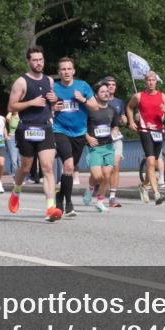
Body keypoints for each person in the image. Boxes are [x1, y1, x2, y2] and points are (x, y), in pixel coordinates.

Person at [7, 46, 61, 220]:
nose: (39, 63)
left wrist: (54, 102)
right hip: (27, 128)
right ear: (29, 61)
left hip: (45, 128)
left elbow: (50, 105)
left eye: (41, 60)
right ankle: (16, 191)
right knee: (25, 167)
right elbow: (11, 107)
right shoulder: (21, 82)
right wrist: (31, 102)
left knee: (47, 168)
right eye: (35, 60)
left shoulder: (49, 81)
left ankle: (50, 208)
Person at [51, 57, 99, 217]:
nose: (66, 72)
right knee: (69, 166)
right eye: (63, 69)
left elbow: (95, 107)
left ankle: (60, 197)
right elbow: (45, 108)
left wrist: (83, 99)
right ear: (59, 72)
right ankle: (68, 203)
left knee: (69, 171)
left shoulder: (82, 86)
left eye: (69, 69)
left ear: (73, 71)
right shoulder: (54, 88)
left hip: (79, 133)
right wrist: (52, 108)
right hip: (60, 130)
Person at [127, 71, 165, 205]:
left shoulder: (163, 97)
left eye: (153, 80)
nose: (151, 82)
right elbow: (129, 107)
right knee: (151, 162)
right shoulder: (139, 96)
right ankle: (156, 193)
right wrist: (131, 121)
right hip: (145, 130)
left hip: (158, 132)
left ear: (156, 82)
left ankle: (143, 186)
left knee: (154, 163)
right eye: (148, 80)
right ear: (145, 82)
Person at [84, 81, 120, 211]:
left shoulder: (112, 110)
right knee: (97, 176)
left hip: (109, 146)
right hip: (95, 148)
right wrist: (88, 137)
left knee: (106, 175)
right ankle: (90, 188)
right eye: (102, 92)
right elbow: (81, 127)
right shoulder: (90, 110)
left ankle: (99, 201)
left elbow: (115, 124)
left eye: (107, 91)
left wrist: (115, 130)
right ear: (96, 95)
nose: (106, 93)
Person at [100, 76, 127, 208]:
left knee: (115, 166)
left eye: (113, 84)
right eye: (108, 84)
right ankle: (92, 188)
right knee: (102, 172)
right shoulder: (97, 100)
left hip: (116, 138)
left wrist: (124, 120)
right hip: (101, 139)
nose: (111, 86)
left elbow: (122, 118)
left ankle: (112, 197)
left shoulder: (119, 102)